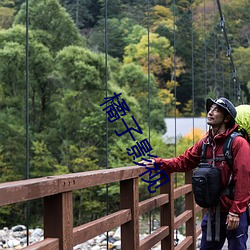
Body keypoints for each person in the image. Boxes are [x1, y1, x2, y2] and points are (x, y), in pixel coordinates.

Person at [141, 97, 250, 250]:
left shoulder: (238, 144)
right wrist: (159, 163)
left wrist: (236, 212)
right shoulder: (205, 143)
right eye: (210, 109)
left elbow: (244, 179)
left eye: (216, 110)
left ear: (226, 118)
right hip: (213, 211)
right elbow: (184, 161)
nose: (210, 112)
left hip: (233, 211)